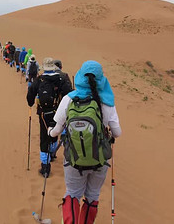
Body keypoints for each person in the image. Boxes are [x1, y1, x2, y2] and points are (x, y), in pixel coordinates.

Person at [48, 60, 121, 224]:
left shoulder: (69, 99)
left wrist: (49, 132)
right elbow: (117, 132)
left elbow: (56, 131)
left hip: (74, 159)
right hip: (99, 160)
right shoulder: (107, 101)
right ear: (101, 78)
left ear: (81, 76)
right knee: (92, 195)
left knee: (73, 193)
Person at [26, 58, 72, 177]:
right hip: (59, 112)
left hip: (43, 113)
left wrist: (31, 103)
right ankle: (52, 153)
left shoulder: (39, 79)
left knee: (44, 136)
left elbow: (30, 95)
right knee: (54, 132)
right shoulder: (62, 78)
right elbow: (69, 94)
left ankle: (45, 166)